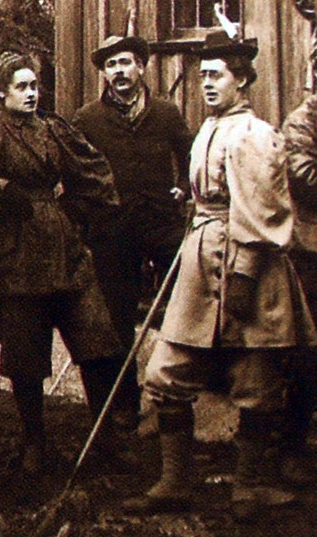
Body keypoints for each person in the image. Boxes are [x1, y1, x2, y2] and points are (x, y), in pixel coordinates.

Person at [122, 30, 317, 517]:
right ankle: (174, 482)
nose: (207, 84)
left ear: (242, 79)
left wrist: (247, 275)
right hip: (202, 257)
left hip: (247, 263)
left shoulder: (253, 134)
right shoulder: (209, 128)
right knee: (167, 374)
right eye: (203, 75)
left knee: (256, 380)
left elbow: (264, 211)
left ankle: (248, 487)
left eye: (217, 76)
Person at [0, 51, 127, 476]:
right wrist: (1, 186)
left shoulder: (52, 129)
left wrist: (82, 209)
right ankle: (34, 443)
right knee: (25, 357)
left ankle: (107, 439)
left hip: (64, 247)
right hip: (15, 254)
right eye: (22, 87)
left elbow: (95, 169)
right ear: (0, 92)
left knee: (97, 343)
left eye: (34, 86)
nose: (31, 94)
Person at [72, 35, 192, 433]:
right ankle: (124, 404)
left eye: (125, 62)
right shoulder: (87, 119)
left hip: (162, 224)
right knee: (116, 318)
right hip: (113, 231)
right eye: (111, 65)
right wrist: (90, 216)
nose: (119, 71)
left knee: (185, 306)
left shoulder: (166, 113)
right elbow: (73, 175)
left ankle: (176, 400)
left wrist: (186, 189)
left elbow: (191, 156)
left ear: (141, 66)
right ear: (104, 73)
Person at [281, 95, 317, 482]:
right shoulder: (303, 120)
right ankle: (291, 445)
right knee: (310, 355)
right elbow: (303, 177)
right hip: (312, 251)